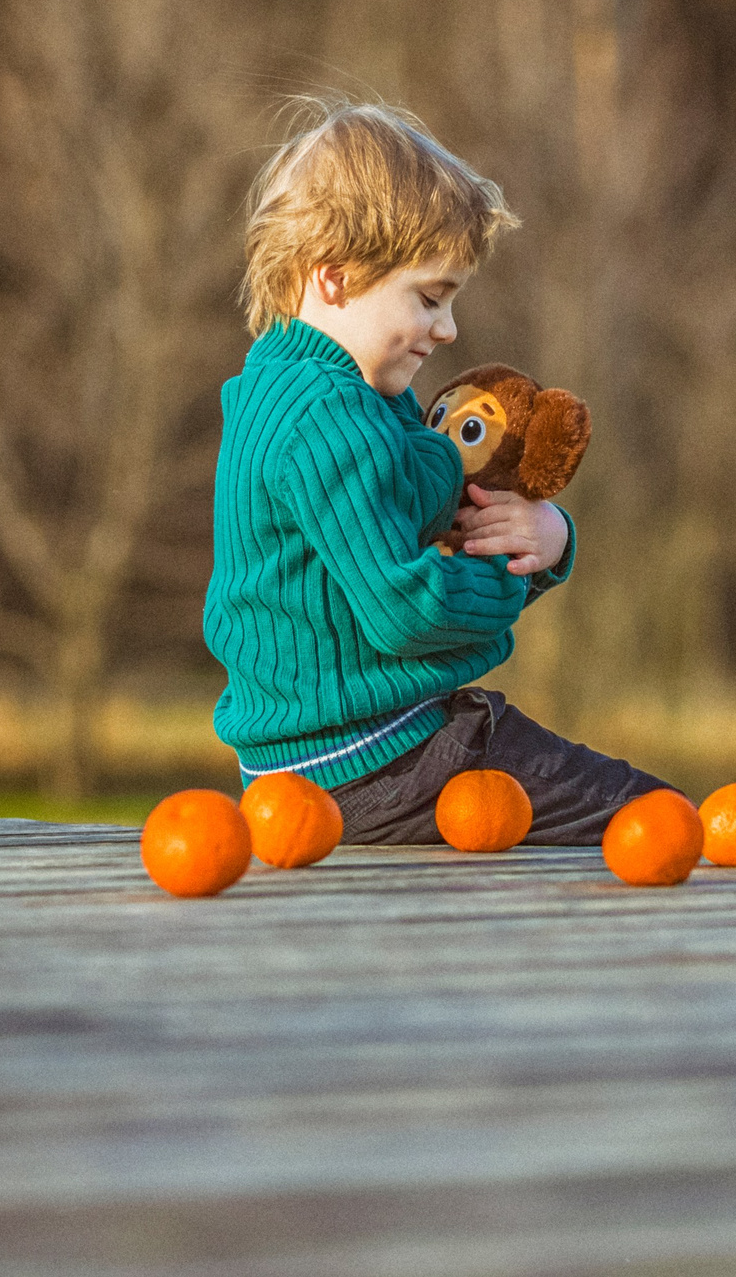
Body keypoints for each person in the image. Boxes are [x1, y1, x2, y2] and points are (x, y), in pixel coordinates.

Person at [203, 102, 673, 843]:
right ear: (333, 277)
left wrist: (541, 537)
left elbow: (422, 514)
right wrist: (518, 573)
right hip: (376, 765)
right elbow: (406, 606)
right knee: (665, 824)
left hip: (317, 771)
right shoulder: (328, 415)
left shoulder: (302, 386)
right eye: (428, 298)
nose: (447, 330)